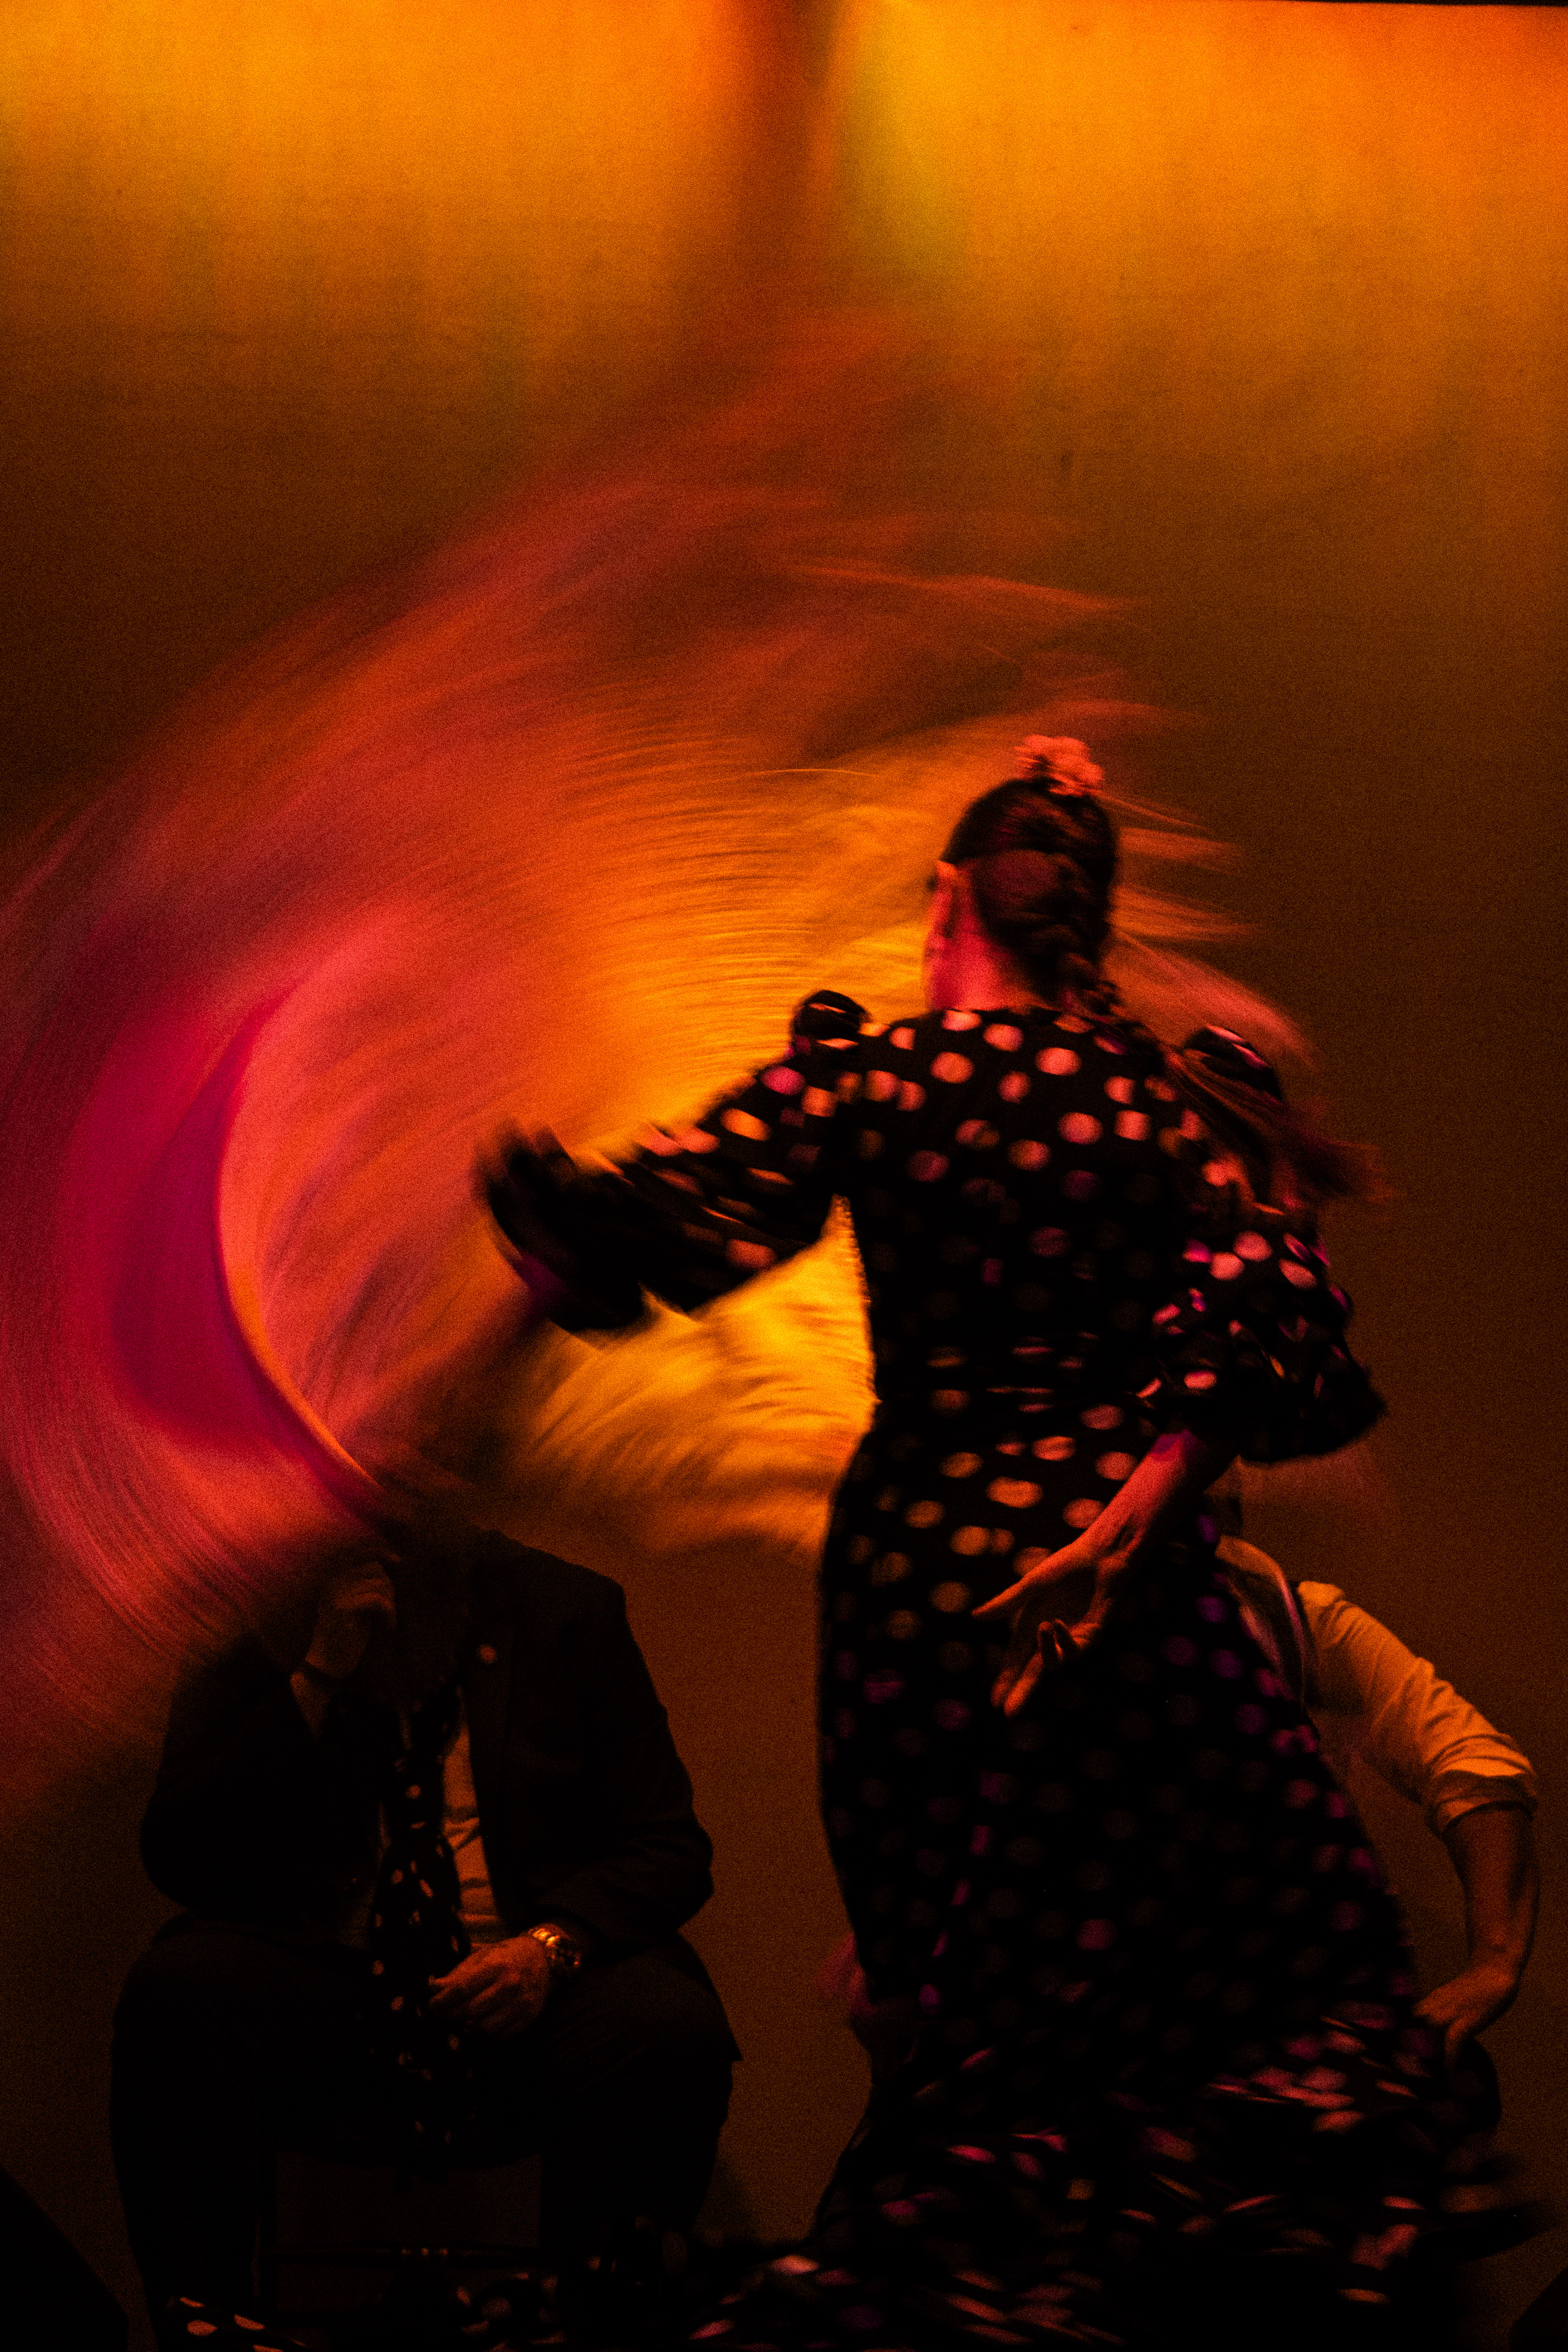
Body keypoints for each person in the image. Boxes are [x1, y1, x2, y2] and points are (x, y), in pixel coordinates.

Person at [483, 737, 1471, 2348]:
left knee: (982, 2034)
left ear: (948, 899)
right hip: (1130, 1601)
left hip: (934, 1585)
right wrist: (1131, 1518)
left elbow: (648, 1217)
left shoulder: (874, 1081)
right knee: (1234, 2014)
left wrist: (486, 1343)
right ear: (1087, 925)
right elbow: (1261, 1319)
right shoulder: (1165, 1101)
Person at [111, 1526, 738, 2352]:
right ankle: (210, 2328)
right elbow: (183, 1855)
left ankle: (587, 2328)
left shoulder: (565, 1609)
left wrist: (549, 1947)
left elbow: (668, 1847)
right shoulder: (255, 1614)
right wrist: (317, 1674)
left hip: (526, 1983)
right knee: (176, 1995)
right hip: (329, 1977)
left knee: (671, 2030)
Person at [820, 1538, 1539, 2087]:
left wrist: (1495, 1962)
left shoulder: (1282, 1615)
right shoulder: (993, 1631)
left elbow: (1469, 1758)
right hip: (1082, 2035)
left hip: (1265, 2015)